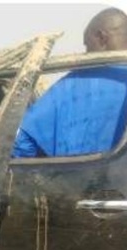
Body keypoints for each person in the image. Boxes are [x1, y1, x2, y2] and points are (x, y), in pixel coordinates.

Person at [12, 7, 127, 158]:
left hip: (74, 179)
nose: (86, 52)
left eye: (87, 45)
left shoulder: (69, 86)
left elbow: (21, 144)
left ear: (101, 38)